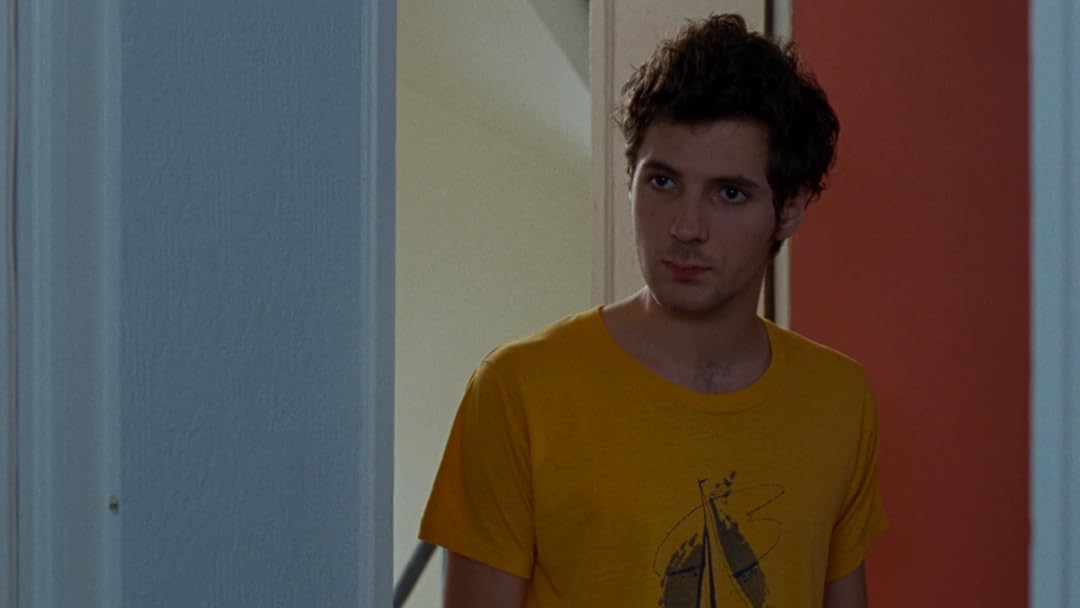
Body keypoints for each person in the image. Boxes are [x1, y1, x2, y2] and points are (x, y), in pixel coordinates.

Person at [419, 13, 887, 608]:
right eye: (663, 183)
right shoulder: (519, 390)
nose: (685, 228)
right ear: (630, 180)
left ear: (789, 209)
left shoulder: (839, 400)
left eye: (729, 193)